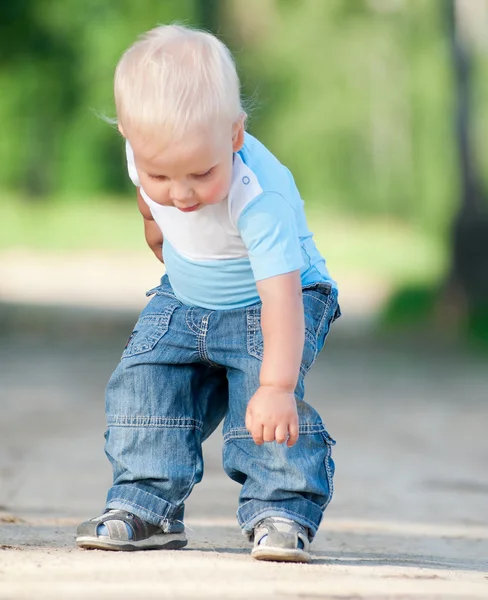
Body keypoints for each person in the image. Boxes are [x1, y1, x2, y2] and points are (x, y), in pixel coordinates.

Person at [76, 23, 340, 563]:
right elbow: (151, 200)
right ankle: (144, 501)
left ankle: (281, 507)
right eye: (162, 175)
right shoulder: (149, 155)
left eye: (200, 173)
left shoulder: (258, 200)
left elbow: (281, 297)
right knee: (144, 381)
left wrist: (278, 384)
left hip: (276, 297)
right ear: (130, 135)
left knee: (258, 401)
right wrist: (154, 226)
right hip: (189, 288)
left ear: (235, 136)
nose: (183, 193)